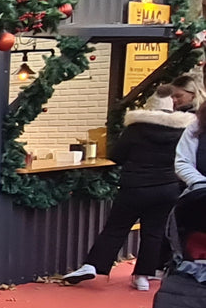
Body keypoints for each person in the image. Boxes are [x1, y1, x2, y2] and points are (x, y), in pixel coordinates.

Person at [66, 87, 194, 289]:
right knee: (154, 232)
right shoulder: (182, 130)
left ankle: (93, 265)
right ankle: (143, 277)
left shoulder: (136, 129)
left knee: (116, 228)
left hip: (134, 187)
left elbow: (116, 156)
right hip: (167, 188)